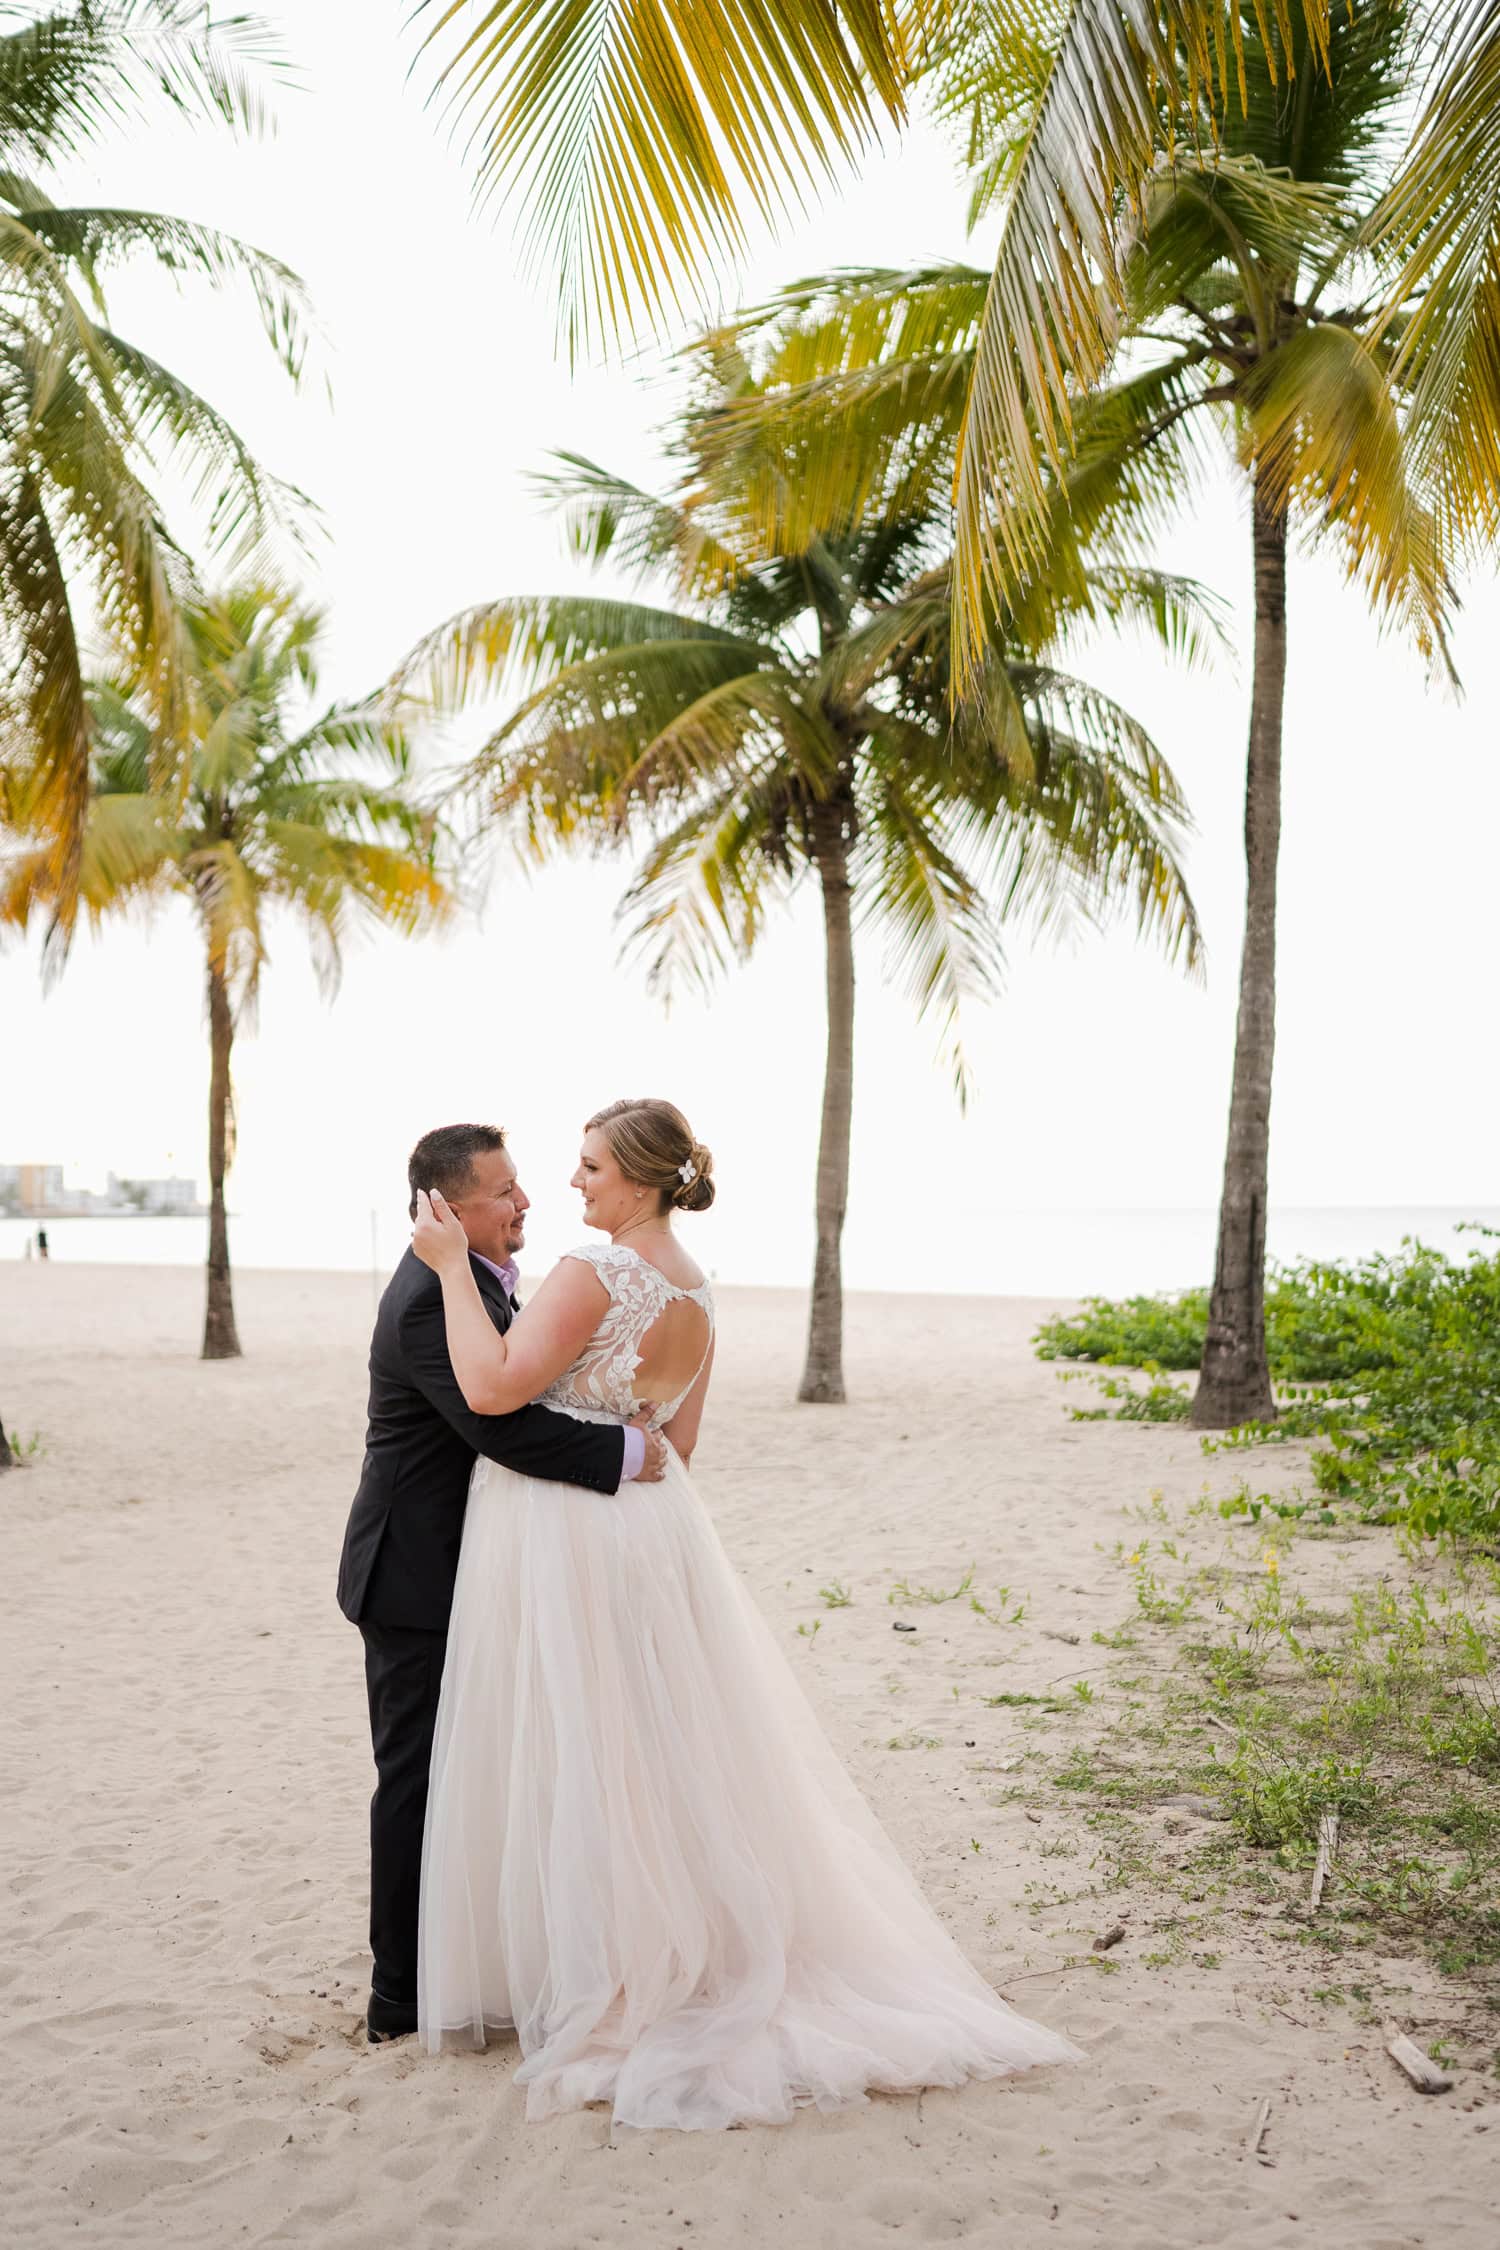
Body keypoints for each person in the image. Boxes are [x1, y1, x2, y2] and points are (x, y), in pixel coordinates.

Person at [411, 1097, 1081, 2129]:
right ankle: (670, 1948)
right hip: (656, 1534)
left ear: (636, 1178)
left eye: (589, 1166)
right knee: (658, 1751)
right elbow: (679, 1442)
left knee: (592, 1752)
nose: (576, 1183)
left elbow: (496, 1390)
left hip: (569, 1535)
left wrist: (454, 1269)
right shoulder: (695, 1285)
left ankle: (617, 1975)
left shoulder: (594, 1274)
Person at [336, 1123, 668, 2046]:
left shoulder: (483, 1283)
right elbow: (503, 1432)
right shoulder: (424, 1299)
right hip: (414, 1574)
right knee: (411, 1778)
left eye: (522, 1186)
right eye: (504, 1192)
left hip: (470, 1571)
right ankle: (399, 1995)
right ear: (443, 1209)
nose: (526, 1203)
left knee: (464, 1774)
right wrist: (630, 1450)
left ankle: (466, 1960)